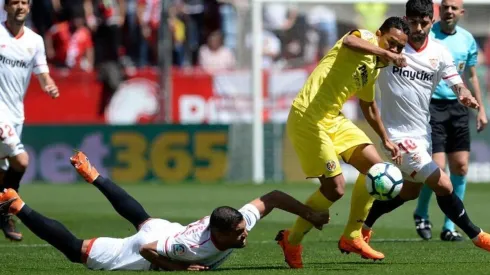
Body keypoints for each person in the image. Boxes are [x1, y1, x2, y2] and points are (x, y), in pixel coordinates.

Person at [0, 151, 330, 271]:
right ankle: (19, 205)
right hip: (153, 248)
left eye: (244, 228)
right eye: (240, 232)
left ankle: (94, 175)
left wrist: (309, 214)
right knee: (76, 252)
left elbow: (271, 197)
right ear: (219, 234)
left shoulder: (234, 223)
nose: (246, 234)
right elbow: (147, 248)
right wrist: (177, 270)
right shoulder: (194, 248)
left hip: (167, 230)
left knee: (142, 217)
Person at [353, 0, 490, 254]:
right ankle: (478, 235)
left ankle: (361, 228)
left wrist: (463, 94)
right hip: (398, 138)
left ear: (431, 22)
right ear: (405, 19)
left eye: (423, 23)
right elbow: (354, 42)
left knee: (409, 192)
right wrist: (385, 53)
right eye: (412, 22)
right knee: (444, 184)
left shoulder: (439, 53)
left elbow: (456, 82)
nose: (417, 28)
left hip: (422, 134)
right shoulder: (391, 46)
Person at [275, 16, 409, 268]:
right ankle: (291, 240)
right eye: (391, 43)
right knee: (335, 189)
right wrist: (386, 53)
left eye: (400, 47)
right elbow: (349, 41)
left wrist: (385, 139)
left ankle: (352, 235)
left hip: (333, 120)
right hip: (308, 117)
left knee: (377, 169)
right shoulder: (365, 38)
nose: (394, 50)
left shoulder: (373, 68)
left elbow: (368, 106)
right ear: (379, 34)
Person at [413, 0, 488, 242]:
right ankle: (422, 213)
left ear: (461, 13)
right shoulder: (428, 35)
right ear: (439, 10)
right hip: (431, 107)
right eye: (445, 6)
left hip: (458, 107)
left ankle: (449, 226)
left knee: (461, 166)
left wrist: (481, 109)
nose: (449, 11)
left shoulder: (467, 40)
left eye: (454, 8)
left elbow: (472, 76)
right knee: (436, 168)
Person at [0, 0, 59, 241]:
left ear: (30, 7)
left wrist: (49, 84)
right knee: (22, 161)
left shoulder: (35, 41)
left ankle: (3, 214)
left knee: (4, 170)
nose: (20, 6)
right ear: (6, 7)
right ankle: (6, 210)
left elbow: (41, 71)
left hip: (16, 115)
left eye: (24, 2)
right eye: (15, 2)